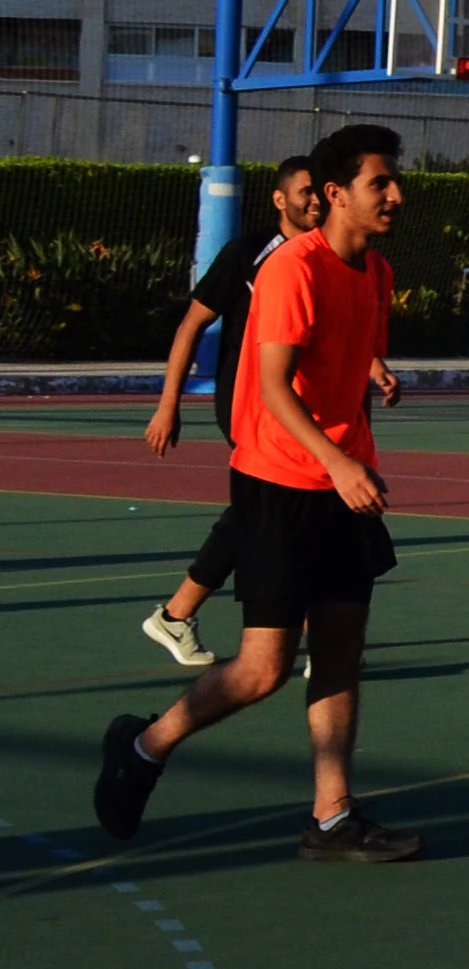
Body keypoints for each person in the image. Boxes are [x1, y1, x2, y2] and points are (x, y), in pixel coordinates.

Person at [96, 122, 425, 863]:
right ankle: (143, 746)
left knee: (341, 649)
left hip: (344, 485)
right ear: (336, 194)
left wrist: (371, 392)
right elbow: (272, 387)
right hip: (280, 483)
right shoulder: (289, 270)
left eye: (396, 181)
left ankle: (332, 817)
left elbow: (351, 352)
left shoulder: (376, 273)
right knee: (262, 669)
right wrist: (337, 464)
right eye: (382, 183)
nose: (397, 195)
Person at [135, 156, 328, 667]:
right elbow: (190, 325)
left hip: (304, 404)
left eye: (319, 192)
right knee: (281, 509)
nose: (315, 200)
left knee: (268, 513)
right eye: (304, 192)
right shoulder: (248, 255)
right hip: (248, 402)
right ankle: (315, 637)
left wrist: (374, 366)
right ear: (280, 199)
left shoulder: (329, 253)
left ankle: (176, 616)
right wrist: (168, 403)